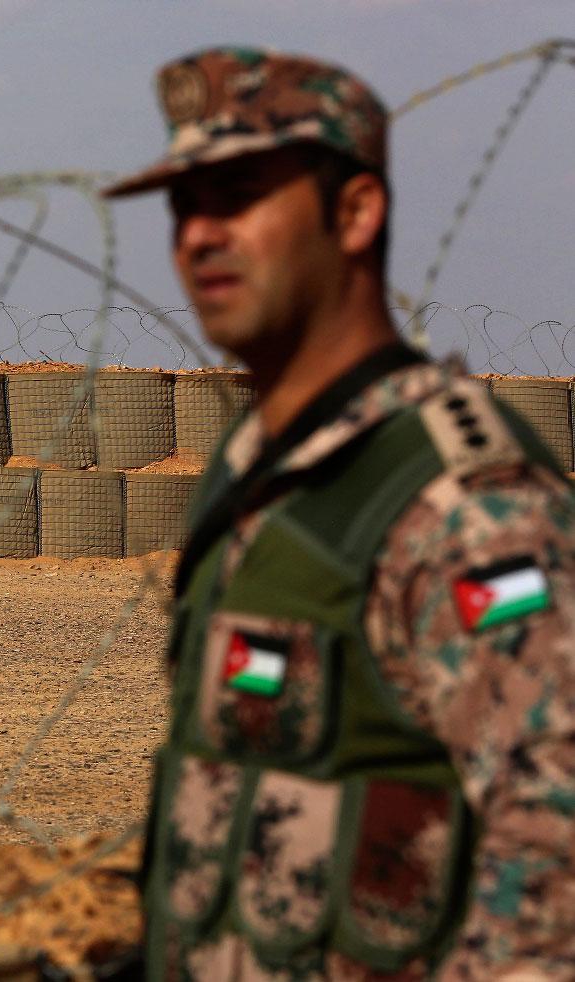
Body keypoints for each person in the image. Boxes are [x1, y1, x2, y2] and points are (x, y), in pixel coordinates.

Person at [103, 48, 575, 977]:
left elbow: (553, 859)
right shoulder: (249, 475)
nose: (198, 235)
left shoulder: (464, 505)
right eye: (184, 205)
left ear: (355, 212)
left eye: (238, 194)